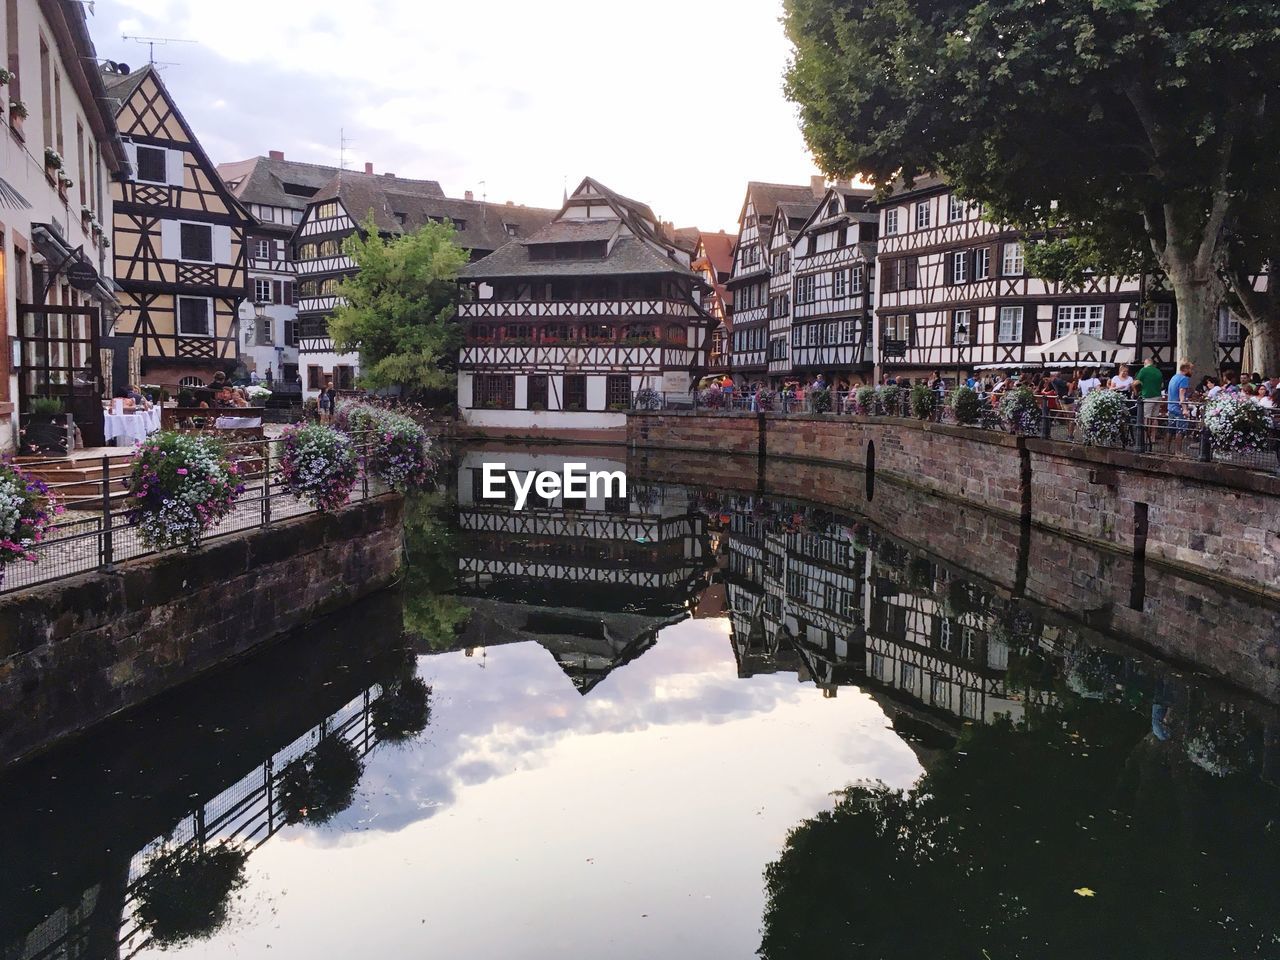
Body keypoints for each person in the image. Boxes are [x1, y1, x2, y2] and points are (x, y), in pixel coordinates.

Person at [1167, 360, 1194, 434]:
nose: (1192, 371)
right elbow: (1181, 394)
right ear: (1186, 369)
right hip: (1179, 409)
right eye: (1191, 369)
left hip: (1171, 407)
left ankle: (1167, 446)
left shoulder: (1174, 377)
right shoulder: (1184, 379)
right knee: (1180, 431)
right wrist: (1185, 409)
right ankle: (1178, 446)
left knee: (1170, 431)